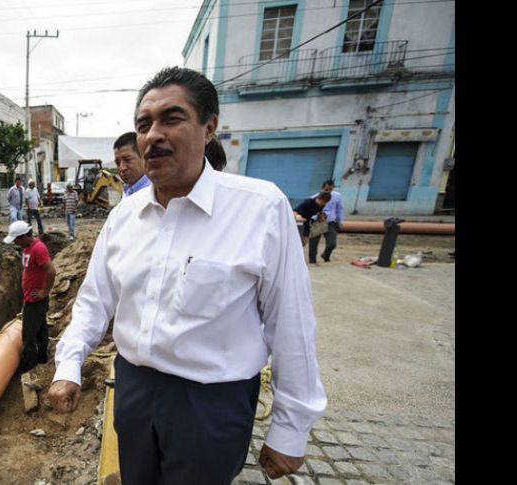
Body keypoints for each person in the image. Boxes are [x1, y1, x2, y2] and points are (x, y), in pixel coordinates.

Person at [48, 66, 326, 484]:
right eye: (144, 124)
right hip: (135, 393)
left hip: (210, 406)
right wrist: (68, 366)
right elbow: (93, 300)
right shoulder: (124, 216)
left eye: (171, 119)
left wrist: (291, 428)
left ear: (209, 127)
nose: (153, 135)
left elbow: (291, 323)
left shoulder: (260, 208)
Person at [4, 220, 56, 373]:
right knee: (40, 328)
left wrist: (44, 291)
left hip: (36, 300)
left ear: (24, 236)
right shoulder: (28, 247)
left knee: (28, 334)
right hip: (31, 298)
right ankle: (41, 357)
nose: (15, 243)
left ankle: (29, 365)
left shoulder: (38, 248)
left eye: (16, 240)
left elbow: (51, 271)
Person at [308, 180, 344, 263]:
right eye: (326, 190)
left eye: (330, 190)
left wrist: (340, 221)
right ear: (322, 188)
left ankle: (326, 255)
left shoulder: (337, 196)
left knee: (332, 243)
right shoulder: (315, 197)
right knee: (314, 242)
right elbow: (310, 211)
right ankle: (312, 260)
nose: (328, 192)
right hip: (318, 221)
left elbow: (340, 209)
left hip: (330, 221)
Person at [113, 131, 151, 197]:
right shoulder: (128, 190)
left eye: (127, 160)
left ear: (144, 157)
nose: (122, 168)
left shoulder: (154, 193)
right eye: (117, 163)